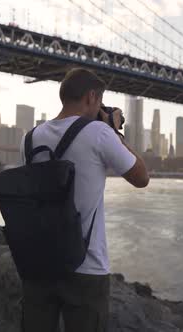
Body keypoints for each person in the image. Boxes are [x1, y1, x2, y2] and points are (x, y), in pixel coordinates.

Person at [20, 68, 149, 332]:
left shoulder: (30, 138)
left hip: (38, 261)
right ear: (92, 97)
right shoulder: (99, 133)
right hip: (86, 267)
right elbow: (141, 177)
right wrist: (114, 130)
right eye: (99, 101)